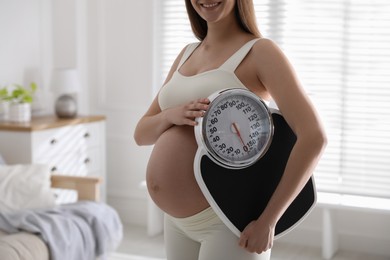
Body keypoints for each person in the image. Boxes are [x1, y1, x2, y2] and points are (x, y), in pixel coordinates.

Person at [134, 0, 327, 259]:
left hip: (229, 222)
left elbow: (314, 137)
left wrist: (269, 221)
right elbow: (141, 134)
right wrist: (171, 115)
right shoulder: (187, 53)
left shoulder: (260, 52)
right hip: (177, 222)